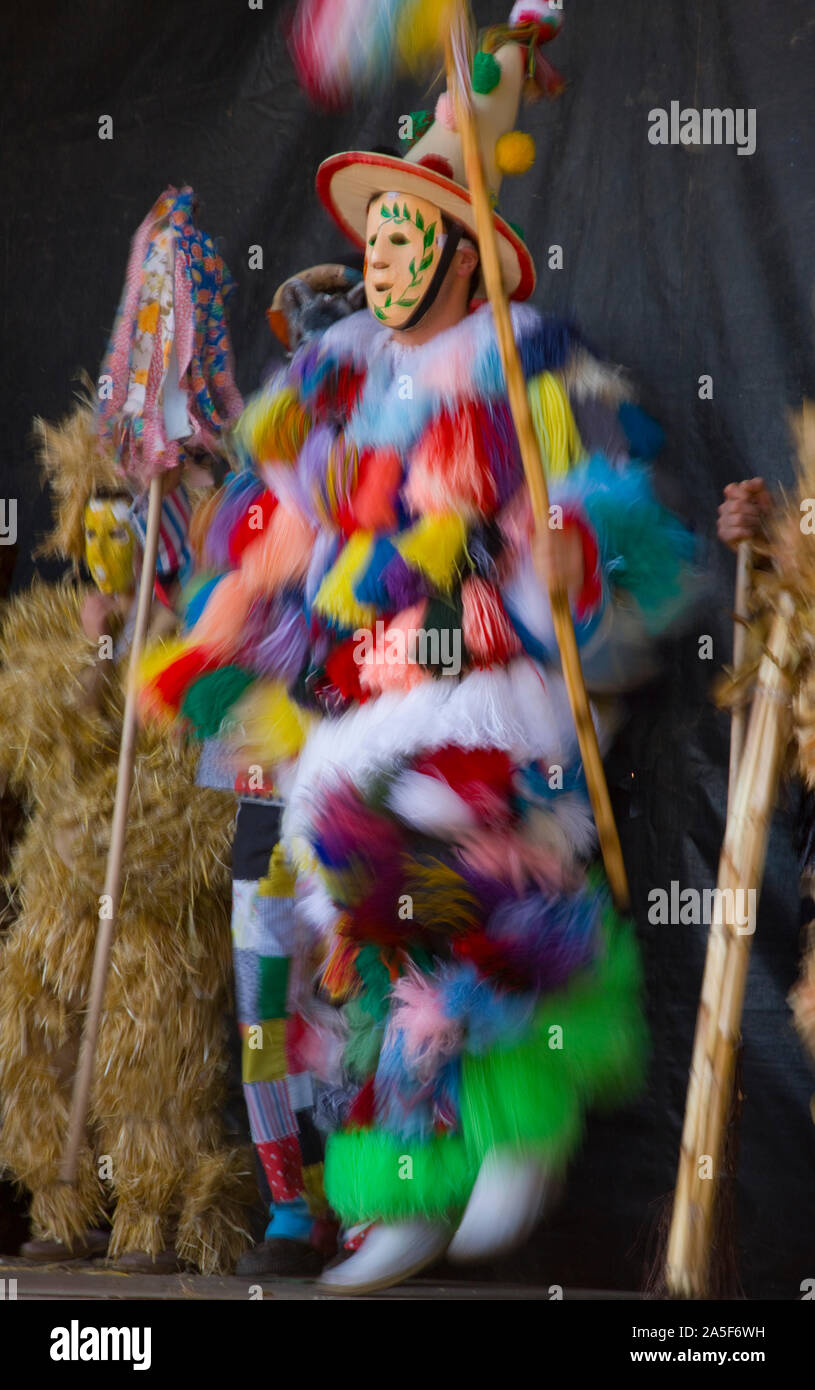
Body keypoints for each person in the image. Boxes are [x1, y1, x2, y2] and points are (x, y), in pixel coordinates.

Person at [142, 8, 696, 1294]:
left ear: (463, 253)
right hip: (359, 686)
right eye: (376, 232)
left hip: (482, 675)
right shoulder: (332, 376)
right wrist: (226, 631)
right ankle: (404, 1189)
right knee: (378, 939)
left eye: (408, 234)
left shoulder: (527, 361)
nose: (384, 253)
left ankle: (525, 1102)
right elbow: (271, 530)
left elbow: (608, 506)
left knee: (442, 859)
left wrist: (580, 547)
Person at [0, 397, 254, 1273]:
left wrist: (173, 650)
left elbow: (218, 786)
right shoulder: (57, 624)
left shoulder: (222, 629)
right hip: (64, 887)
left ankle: (154, 1211)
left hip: (158, 894)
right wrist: (95, 655)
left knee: (149, 1009)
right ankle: (61, 1202)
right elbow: (35, 740)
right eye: (105, 514)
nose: (122, 535)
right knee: (30, 1004)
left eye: (140, 513)